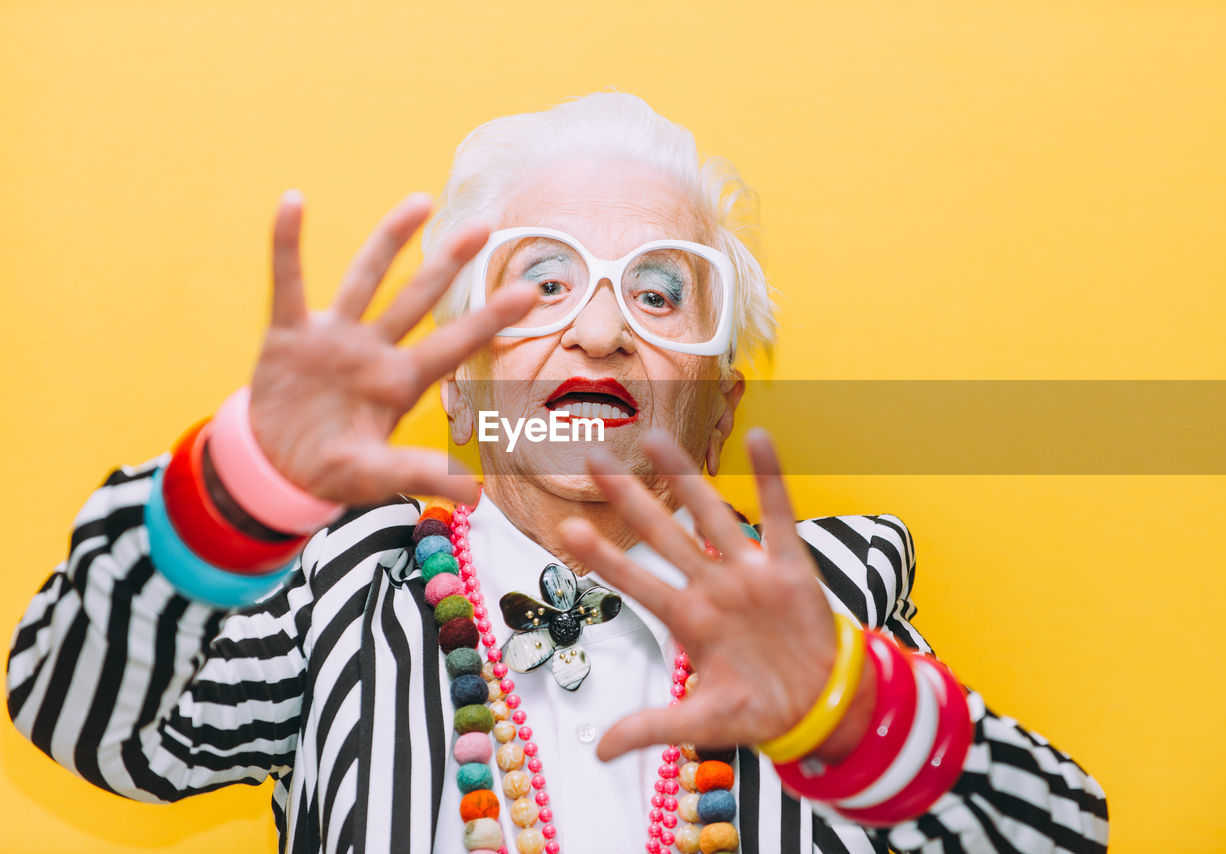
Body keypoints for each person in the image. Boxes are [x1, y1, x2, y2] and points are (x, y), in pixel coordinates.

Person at [5, 93, 1108, 854]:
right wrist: (239, 486)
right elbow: (77, 715)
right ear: (458, 379)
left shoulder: (823, 593)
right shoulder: (340, 590)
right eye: (542, 283)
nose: (598, 330)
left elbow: (1059, 831)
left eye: (658, 293)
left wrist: (843, 706)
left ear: (719, 411)